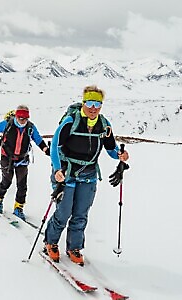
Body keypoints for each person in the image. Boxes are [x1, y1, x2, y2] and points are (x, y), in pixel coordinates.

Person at [43, 85, 129, 265]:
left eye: (97, 103)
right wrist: (57, 170)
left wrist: (119, 156)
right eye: (90, 103)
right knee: (64, 211)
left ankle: (74, 247)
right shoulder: (70, 121)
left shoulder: (104, 125)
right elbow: (55, 147)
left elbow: (111, 148)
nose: (93, 107)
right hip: (67, 173)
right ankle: (50, 242)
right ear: (83, 103)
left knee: (81, 213)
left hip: (89, 174)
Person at [0, 105, 50, 221]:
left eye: (25, 118)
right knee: (7, 181)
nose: (22, 120)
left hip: (22, 159)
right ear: (16, 116)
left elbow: (38, 140)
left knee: (22, 185)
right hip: (6, 157)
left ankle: (18, 207)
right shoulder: (7, 124)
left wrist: (47, 150)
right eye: (20, 117)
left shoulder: (30, 127)